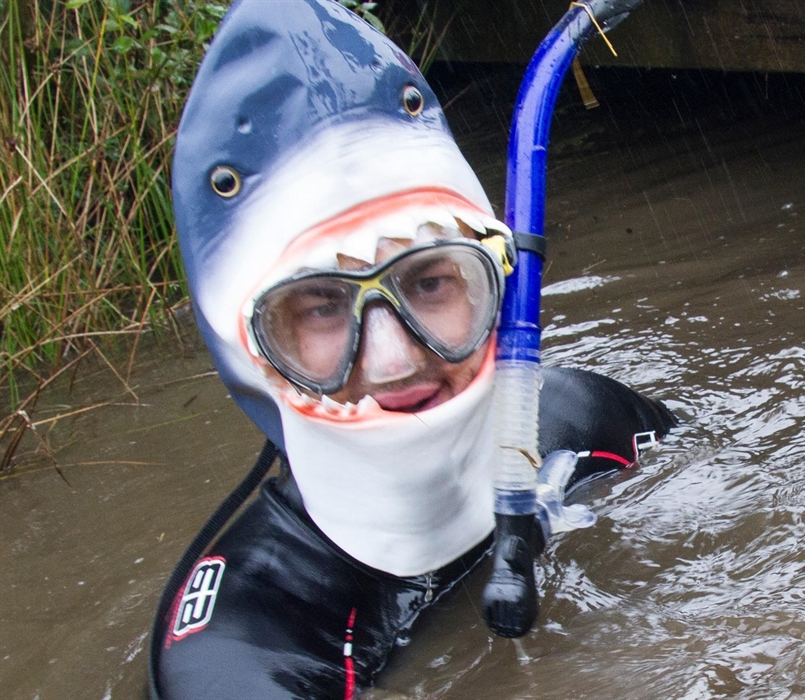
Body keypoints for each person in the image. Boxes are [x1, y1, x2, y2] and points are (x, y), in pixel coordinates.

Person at [150, 0, 676, 697]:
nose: (395, 360)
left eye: (429, 283)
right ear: (255, 353)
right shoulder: (237, 652)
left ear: (496, 284)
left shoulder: (586, 420)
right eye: (320, 307)